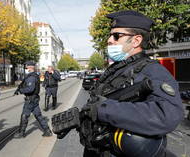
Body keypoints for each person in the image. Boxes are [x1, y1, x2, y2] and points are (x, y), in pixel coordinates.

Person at [79, 10, 184, 156]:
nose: (109, 40)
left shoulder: (152, 71)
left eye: (116, 36)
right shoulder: (118, 69)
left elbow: (167, 114)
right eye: (109, 35)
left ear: (136, 41)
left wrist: (104, 109)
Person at [14, 61, 52, 138]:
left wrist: (21, 91)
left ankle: (21, 133)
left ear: (30, 67)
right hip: (34, 99)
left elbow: (30, 89)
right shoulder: (34, 75)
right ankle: (47, 131)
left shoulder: (31, 77)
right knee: (38, 115)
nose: (26, 67)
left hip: (30, 99)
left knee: (24, 115)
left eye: (27, 66)